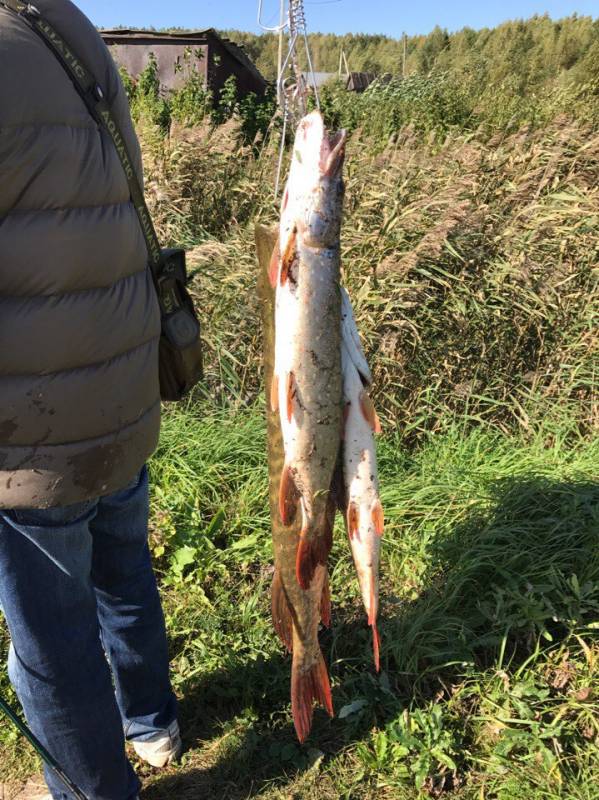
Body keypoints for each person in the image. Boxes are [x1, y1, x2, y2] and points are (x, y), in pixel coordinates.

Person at [0, 1, 181, 797]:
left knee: (51, 635)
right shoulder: (61, 22)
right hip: (122, 381)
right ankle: (151, 722)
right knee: (123, 568)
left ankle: (93, 789)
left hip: (29, 424)